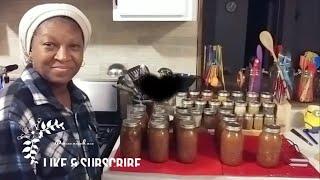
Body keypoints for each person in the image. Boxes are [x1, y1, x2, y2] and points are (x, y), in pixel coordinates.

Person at [0, 3, 101, 180]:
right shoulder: (14, 110)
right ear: (29, 51)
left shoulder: (80, 99)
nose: (63, 56)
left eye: (74, 46)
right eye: (49, 44)